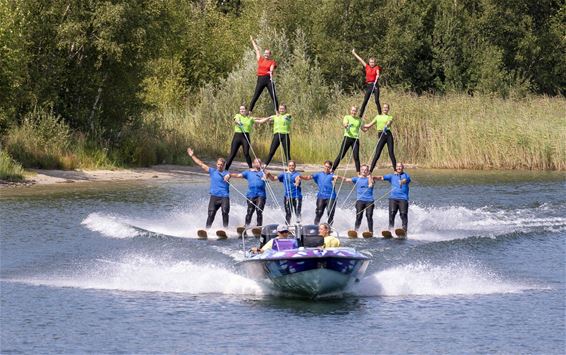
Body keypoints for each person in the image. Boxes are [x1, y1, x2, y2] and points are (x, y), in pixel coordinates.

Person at [187, 148, 230, 229]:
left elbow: (230, 175)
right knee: (211, 214)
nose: (220, 166)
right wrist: (192, 156)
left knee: (225, 212)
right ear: (216, 164)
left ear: (224, 165)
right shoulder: (212, 171)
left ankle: (226, 229)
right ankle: (207, 230)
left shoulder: (226, 173)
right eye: (218, 164)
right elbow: (201, 164)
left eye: (221, 165)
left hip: (224, 197)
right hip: (214, 196)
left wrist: (228, 176)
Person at [225, 158, 272, 227]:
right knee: (250, 211)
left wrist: (264, 170)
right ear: (253, 163)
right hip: (251, 195)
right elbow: (238, 175)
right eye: (256, 162)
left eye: (259, 163)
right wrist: (230, 175)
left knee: (259, 211)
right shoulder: (248, 172)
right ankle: (246, 226)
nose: (258, 164)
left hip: (261, 195)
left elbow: (268, 175)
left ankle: (259, 227)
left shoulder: (263, 172)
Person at [336, 164, 379, 234]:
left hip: (369, 201)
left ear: (368, 171)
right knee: (359, 216)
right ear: (360, 171)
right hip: (360, 201)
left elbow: (371, 185)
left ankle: (371, 232)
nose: (364, 171)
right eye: (362, 170)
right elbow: (347, 179)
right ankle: (356, 231)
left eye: (366, 170)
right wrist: (338, 177)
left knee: (369, 216)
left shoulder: (371, 178)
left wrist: (369, 176)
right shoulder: (356, 179)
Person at [297, 160, 337, 225]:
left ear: (330, 168)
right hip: (321, 196)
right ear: (324, 166)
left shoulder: (332, 176)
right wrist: (301, 176)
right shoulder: (318, 174)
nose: (327, 168)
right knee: (319, 212)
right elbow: (308, 177)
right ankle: (315, 226)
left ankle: (329, 228)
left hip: (331, 197)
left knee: (330, 212)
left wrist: (336, 180)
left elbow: (339, 179)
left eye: (329, 167)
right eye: (326, 166)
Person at [376, 162, 411, 232]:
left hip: (403, 199)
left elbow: (405, 180)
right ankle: (390, 230)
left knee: (403, 214)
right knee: (392, 214)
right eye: (397, 166)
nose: (399, 168)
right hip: (393, 199)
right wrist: (373, 177)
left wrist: (402, 181)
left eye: (400, 166)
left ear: (403, 167)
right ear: (395, 168)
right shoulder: (391, 176)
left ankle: (404, 230)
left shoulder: (406, 175)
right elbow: (382, 177)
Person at [363, 103, 396, 171]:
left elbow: (389, 122)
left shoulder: (390, 117)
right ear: (382, 108)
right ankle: (370, 171)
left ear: (388, 109)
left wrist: (386, 125)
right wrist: (360, 125)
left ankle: (395, 170)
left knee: (391, 153)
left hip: (388, 135)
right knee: (377, 153)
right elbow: (368, 125)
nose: (385, 109)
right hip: (381, 134)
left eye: (386, 107)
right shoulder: (378, 116)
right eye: (384, 107)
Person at [249, 36, 278, 113]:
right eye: (265, 53)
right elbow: (257, 50)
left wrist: (271, 72)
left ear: (270, 55)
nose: (266, 55)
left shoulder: (272, 62)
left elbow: (272, 67)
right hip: (261, 79)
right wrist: (252, 41)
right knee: (256, 96)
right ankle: (249, 111)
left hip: (268, 79)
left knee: (273, 95)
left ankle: (277, 111)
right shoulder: (260, 59)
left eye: (267, 54)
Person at [225, 105, 260, 170]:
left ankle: (250, 168)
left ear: (246, 110)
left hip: (245, 136)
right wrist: (239, 122)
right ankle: (226, 169)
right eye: (241, 109)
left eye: (243, 109)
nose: (242, 110)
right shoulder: (238, 115)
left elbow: (260, 121)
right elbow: (236, 120)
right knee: (232, 154)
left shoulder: (250, 118)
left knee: (246, 153)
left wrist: (269, 118)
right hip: (237, 136)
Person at [267, 160, 302, 224]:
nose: (291, 167)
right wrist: (269, 175)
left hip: (297, 196)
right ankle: (287, 227)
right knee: (288, 213)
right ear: (288, 166)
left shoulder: (297, 174)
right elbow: (273, 179)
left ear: (295, 166)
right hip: (287, 197)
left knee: (297, 212)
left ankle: (299, 226)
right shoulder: (284, 174)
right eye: (290, 166)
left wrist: (297, 183)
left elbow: (298, 179)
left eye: (293, 166)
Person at [352, 48, 382, 118]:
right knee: (365, 101)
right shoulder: (367, 67)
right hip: (369, 85)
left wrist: (377, 75)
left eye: (373, 62)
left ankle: (380, 114)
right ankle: (360, 115)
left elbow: (378, 72)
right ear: (369, 62)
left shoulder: (376, 67)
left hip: (375, 85)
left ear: (375, 63)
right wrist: (354, 53)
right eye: (371, 62)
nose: (372, 63)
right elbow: (360, 60)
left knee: (377, 100)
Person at [332, 106, 362, 173]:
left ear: (357, 111)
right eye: (352, 110)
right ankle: (332, 170)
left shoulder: (359, 119)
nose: (353, 112)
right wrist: (347, 126)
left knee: (356, 157)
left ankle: (358, 173)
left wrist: (372, 124)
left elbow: (364, 128)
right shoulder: (347, 117)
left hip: (355, 139)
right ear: (350, 110)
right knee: (341, 155)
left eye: (355, 111)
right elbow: (345, 124)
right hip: (347, 138)